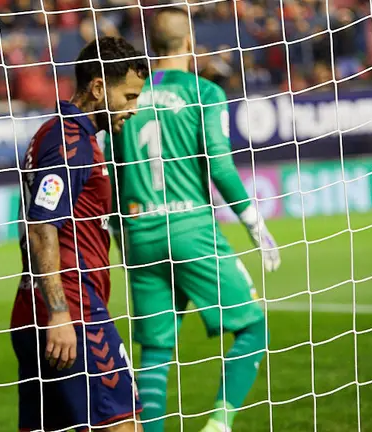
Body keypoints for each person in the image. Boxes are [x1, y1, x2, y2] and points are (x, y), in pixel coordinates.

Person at [104, 8, 281, 432]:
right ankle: (218, 426)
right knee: (254, 329)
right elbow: (220, 169)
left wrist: (117, 233)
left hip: (139, 234)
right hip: (192, 230)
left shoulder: (128, 95)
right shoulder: (205, 92)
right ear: (189, 44)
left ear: (152, 46)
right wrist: (255, 224)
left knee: (155, 354)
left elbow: (112, 172)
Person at [10, 36, 149, 432]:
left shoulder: (61, 135)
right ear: (99, 86)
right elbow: (41, 227)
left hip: (37, 311)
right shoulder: (71, 142)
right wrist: (59, 313)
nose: (134, 109)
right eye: (129, 96)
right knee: (124, 426)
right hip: (73, 312)